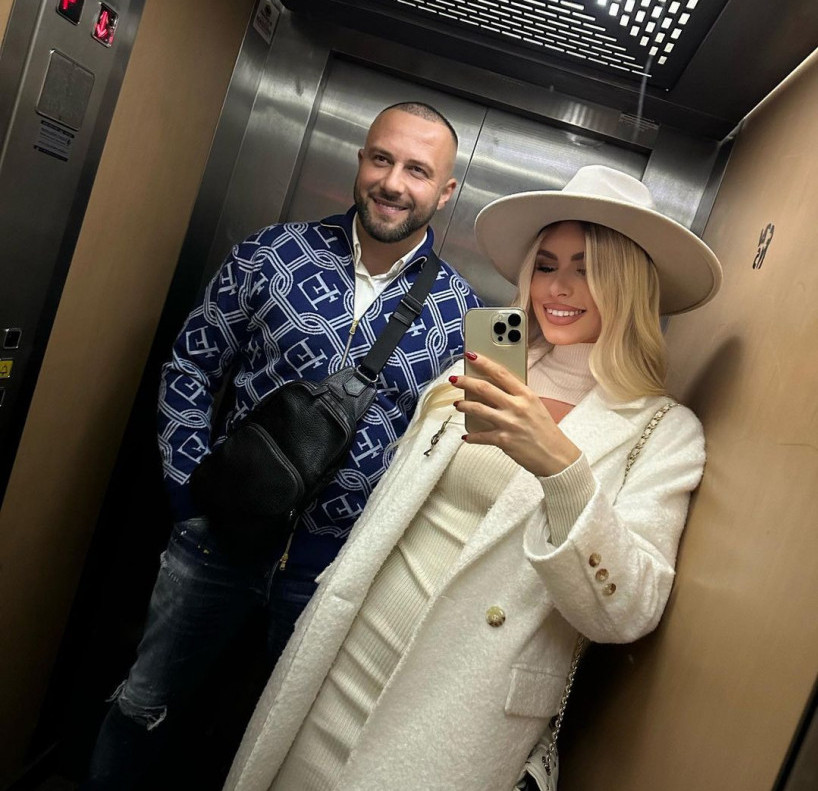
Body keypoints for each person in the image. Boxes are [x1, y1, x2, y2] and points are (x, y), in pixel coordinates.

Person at [221, 164, 723, 791]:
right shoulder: (494, 359)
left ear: (628, 284)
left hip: (462, 697)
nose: (558, 287)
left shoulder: (663, 430)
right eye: (546, 265)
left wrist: (561, 466)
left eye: (588, 269)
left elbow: (628, 611)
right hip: (348, 647)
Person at [82, 102, 482, 790]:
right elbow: (191, 366)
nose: (393, 182)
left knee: (284, 742)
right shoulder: (270, 253)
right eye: (381, 159)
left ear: (445, 192)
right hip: (216, 542)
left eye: (417, 171)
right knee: (144, 705)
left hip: (334, 573)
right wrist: (188, 493)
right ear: (360, 160)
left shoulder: (465, 311)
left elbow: (465, 449)